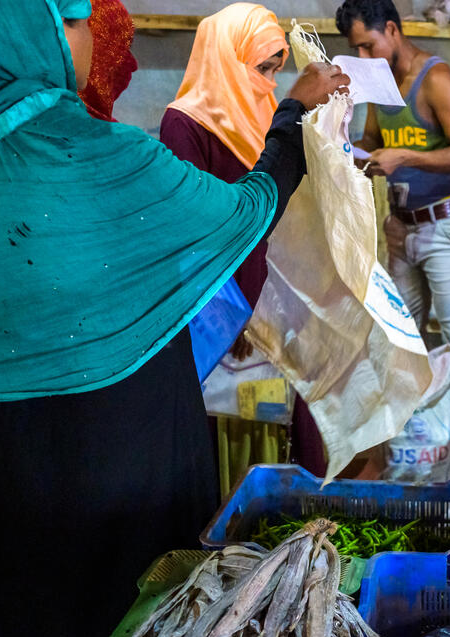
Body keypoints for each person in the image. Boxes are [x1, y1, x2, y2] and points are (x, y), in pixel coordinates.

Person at [0, 2, 347, 637]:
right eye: (72, 23)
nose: (86, 42)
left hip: (19, 437)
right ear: (30, 32)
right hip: (128, 420)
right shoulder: (97, 155)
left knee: (52, 616)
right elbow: (243, 213)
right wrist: (293, 118)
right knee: (156, 609)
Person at [161, 2, 327, 489]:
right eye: (262, 69)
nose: (270, 83)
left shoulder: (265, 112)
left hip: (272, 286)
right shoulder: (184, 125)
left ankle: (288, 511)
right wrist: (226, 309)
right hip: (225, 297)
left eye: (277, 70)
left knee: (287, 417)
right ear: (226, 60)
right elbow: (194, 231)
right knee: (228, 413)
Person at [337, 0, 450, 451]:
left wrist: (407, 157)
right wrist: (342, 146)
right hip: (400, 228)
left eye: (368, 45)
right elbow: (372, 144)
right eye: (355, 50)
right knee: (401, 332)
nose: (363, 59)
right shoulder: (380, 86)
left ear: (393, 30)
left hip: (443, 227)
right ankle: (410, 427)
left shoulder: (436, 78)